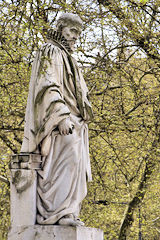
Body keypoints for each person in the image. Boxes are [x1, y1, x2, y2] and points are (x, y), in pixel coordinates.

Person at [21, 13, 93, 226]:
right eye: (72, 31)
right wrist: (61, 116)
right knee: (67, 155)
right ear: (61, 28)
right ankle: (57, 212)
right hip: (59, 121)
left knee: (76, 165)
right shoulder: (50, 50)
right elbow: (47, 85)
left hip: (76, 122)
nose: (75, 37)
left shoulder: (67, 56)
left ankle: (69, 211)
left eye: (78, 33)